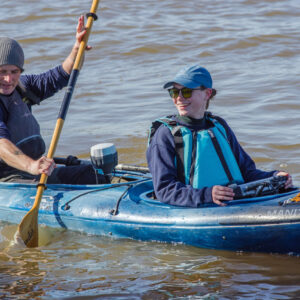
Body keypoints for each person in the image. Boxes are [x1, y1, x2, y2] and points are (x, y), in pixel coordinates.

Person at [147, 64, 293, 207]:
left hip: (235, 202)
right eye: (174, 92)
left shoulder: (219, 126)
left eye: (186, 92)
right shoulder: (165, 134)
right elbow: (164, 190)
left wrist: (275, 177)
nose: (179, 98)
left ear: (207, 93)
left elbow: (247, 172)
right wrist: (207, 194)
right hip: (197, 208)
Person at [0, 16, 107, 184]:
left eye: (14, 71)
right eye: (2, 72)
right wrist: (32, 166)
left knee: (93, 174)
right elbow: (1, 145)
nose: (8, 79)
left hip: (36, 170)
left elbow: (60, 76)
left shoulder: (23, 86)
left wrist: (77, 49)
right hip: (8, 178)